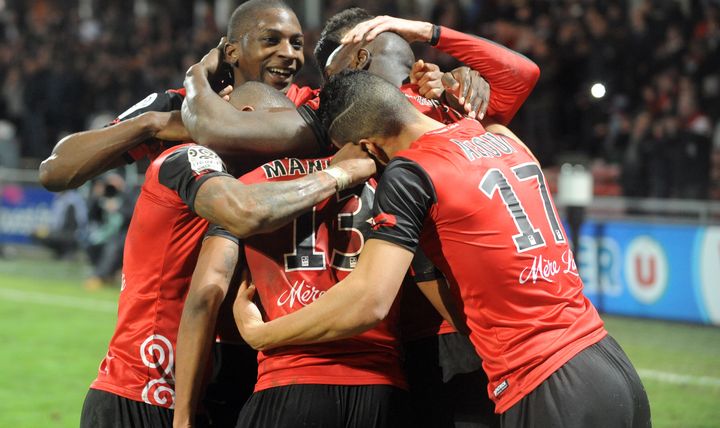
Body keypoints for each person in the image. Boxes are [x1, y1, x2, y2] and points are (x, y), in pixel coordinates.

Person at [234, 70, 652, 428]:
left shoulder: (410, 172)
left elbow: (368, 301)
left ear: (369, 147)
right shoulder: (502, 138)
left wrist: (262, 334)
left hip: (544, 380)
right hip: (607, 357)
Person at [78, 78, 375, 427]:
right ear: (246, 119)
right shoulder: (191, 156)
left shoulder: (248, 179)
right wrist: (337, 174)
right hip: (139, 391)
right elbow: (238, 227)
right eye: (278, 128)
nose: (287, 142)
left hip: (187, 391)